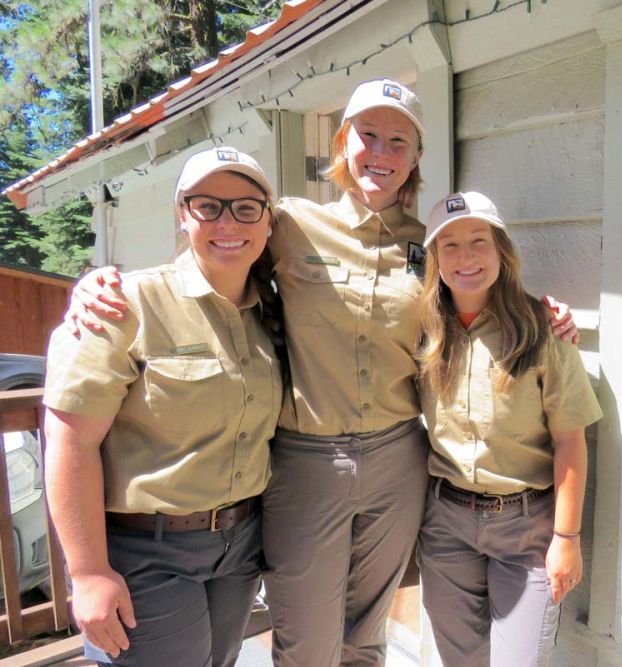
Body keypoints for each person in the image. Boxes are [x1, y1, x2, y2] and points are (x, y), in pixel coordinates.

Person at [63, 79, 578, 666]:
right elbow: (217, 249)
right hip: (307, 460)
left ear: (415, 158)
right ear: (343, 143)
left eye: (398, 142)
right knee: (305, 632)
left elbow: (477, 286)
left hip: (397, 457)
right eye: (368, 136)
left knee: (365, 627)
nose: (380, 153)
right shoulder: (290, 224)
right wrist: (100, 280)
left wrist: (544, 311)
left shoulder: (431, 244)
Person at [43, 146, 283, 667]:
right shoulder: (125, 305)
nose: (228, 221)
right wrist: (87, 574)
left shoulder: (272, 314)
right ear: (182, 214)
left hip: (238, 547)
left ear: (268, 221)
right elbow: (68, 439)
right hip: (146, 553)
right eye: (208, 206)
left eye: (246, 207)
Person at [415, 191, 602, 666]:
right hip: (446, 525)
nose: (467, 257)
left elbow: (570, 440)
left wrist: (567, 539)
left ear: (501, 250)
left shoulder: (543, 330)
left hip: (526, 528)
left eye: (479, 240)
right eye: (450, 245)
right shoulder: (423, 332)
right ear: (434, 259)